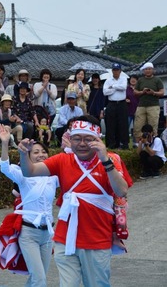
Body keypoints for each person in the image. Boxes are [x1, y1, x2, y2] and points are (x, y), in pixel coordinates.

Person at [17, 115, 131, 287]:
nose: (82, 143)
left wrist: (105, 160)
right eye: (77, 138)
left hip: (97, 240)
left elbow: (121, 190)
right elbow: (30, 171)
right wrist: (23, 154)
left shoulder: (111, 160)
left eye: (88, 139)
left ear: (97, 140)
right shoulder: (63, 160)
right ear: (70, 139)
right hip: (65, 240)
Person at [0, 124, 59, 287]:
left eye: (43, 151)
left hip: (47, 234)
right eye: (36, 152)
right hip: (29, 233)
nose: (41, 155)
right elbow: (4, 167)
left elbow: (72, 171)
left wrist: (69, 147)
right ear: (28, 155)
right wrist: (5, 143)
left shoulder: (53, 176)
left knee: (37, 278)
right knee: (40, 279)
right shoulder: (23, 174)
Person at [133, 62, 164, 139]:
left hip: (153, 106)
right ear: (144, 71)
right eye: (146, 69)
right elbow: (135, 92)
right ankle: (139, 144)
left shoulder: (157, 80)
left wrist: (153, 92)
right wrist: (142, 92)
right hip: (141, 106)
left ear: (152, 70)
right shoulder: (140, 80)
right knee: (138, 126)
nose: (148, 70)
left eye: (149, 69)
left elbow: (162, 92)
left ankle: (152, 143)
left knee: (153, 125)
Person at [103, 63, 129, 149]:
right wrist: (115, 88)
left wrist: (113, 87)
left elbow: (123, 87)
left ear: (120, 71)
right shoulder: (108, 80)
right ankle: (112, 144)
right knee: (111, 124)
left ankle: (124, 144)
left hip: (122, 103)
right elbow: (105, 92)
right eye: (114, 70)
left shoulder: (124, 78)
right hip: (112, 104)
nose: (115, 71)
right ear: (112, 71)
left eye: (117, 70)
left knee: (123, 124)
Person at [126, 75, 139, 147]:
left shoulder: (139, 89)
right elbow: (123, 97)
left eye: (134, 79)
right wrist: (126, 100)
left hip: (138, 110)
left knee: (136, 128)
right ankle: (126, 143)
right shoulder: (127, 89)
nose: (133, 80)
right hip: (128, 110)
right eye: (131, 79)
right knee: (126, 127)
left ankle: (135, 143)